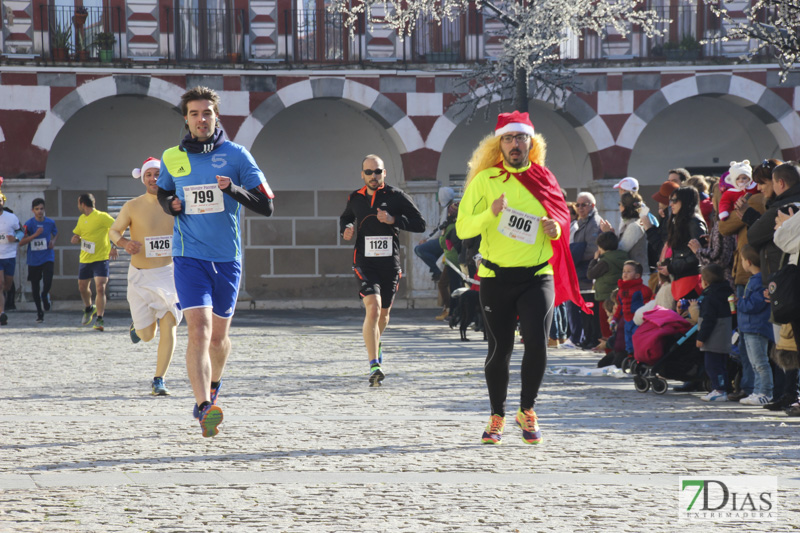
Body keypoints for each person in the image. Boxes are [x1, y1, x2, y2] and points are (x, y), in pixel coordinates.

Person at [456, 111, 588, 445]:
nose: (516, 144)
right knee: (499, 349)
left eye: (522, 138)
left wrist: (556, 228)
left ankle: (526, 409)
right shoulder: (485, 181)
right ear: (498, 144)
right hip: (496, 277)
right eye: (509, 138)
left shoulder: (544, 177)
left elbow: (560, 217)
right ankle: (497, 415)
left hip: (537, 276)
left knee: (537, 344)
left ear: (532, 143)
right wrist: (491, 212)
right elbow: (462, 228)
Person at [157, 86, 275, 437]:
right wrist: (170, 205)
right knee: (199, 330)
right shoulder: (172, 157)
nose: (201, 119)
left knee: (219, 338)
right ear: (186, 119)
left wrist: (233, 191)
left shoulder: (237, 155)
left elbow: (267, 205)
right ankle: (203, 406)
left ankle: (213, 388)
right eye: (194, 114)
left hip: (227, 259)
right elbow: (164, 191)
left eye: (207, 112)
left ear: (216, 116)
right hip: (188, 255)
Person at [340, 154, 426, 387]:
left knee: (384, 314)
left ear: (384, 173)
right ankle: (374, 364)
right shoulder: (355, 198)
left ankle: (375, 343)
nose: (373, 176)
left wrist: (393, 219)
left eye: (377, 172)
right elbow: (346, 218)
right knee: (373, 307)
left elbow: (421, 223)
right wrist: (346, 229)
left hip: (389, 264)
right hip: (364, 263)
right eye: (369, 172)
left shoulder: (396, 196)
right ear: (362, 175)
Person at [110, 157, 183, 396]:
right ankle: (137, 328)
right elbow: (114, 230)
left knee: (170, 322)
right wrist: (123, 242)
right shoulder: (132, 205)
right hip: (140, 277)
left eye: (158, 174)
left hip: (169, 274)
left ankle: (159, 379)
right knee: (147, 335)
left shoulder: (176, 203)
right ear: (143, 178)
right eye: (149, 175)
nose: (154, 179)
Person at [70, 193, 117, 331]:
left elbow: (117, 228)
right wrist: (76, 238)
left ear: (82, 204)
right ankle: (89, 308)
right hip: (85, 259)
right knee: (82, 288)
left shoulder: (102, 216)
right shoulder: (81, 218)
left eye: (78, 203)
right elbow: (78, 234)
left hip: (101, 258)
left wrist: (113, 246)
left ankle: (100, 319)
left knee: (100, 287)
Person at [736, 244, 774, 405]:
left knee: (760, 362)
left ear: (749, 262)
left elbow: (754, 304)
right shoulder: (754, 279)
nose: (742, 263)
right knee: (754, 363)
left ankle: (765, 392)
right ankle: (757, 391)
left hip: (756, 327)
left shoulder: (760, 280)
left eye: (742, 260)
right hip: (749, 327)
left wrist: (740, 303)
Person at [587, 231, 628, 361]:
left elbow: (591, 274)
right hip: (618, 296)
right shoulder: (623, 256)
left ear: (601, 247)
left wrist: (594, 259)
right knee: (617, 326)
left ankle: (610, 354)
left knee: (606, 328)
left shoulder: (605, 261)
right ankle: (619, 353)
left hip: (604, 297)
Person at [696, 263, 735, 402]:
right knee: (722, 365)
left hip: (714, 338)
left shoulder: (709, 297)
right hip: (725, 335)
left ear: (705, 282)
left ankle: (719, 389)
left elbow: (708, 320)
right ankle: (724, 387)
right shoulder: (727, 292)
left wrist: (701, 337)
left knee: (712, 365)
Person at [570, 191, 602, 349]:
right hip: (581, 271)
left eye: (584, 205)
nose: (580, 208)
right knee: (584, 309)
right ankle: (587, 338)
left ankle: (593, 338)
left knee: (591, 309)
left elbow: (593, 249)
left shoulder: (594, 223)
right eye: (578, 204)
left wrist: (575, 253)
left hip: (589, 271)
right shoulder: (582, 222)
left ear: (592, 206)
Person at [18, 198, 58, 323]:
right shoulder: (28, 224)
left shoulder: (50, 222)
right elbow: (20, 242)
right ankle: (39, 312)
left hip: (47, 256)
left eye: (41, 209)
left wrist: (53, 241)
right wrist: (34, 235)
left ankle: (45, 295)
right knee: (35, 286)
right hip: (34, 259)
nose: (39, 211)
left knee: (48, 280)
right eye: (37, 209)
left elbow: (56, 233)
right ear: (32, 210)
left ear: (44, 209)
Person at [414, 186, 456, 283]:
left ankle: (437, 270)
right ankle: (437, 270)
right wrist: (428, 238)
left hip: (445, 241)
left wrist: (427, 241)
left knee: (420, 249)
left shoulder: (448, 210)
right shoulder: (448, 209)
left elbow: (440, 231)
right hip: (446, 240)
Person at [613, 260, 653, 357]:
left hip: (638, 320)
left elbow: (648, 305)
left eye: (629, 271)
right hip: (627, 321)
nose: (625, 274)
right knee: (628, 340)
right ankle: (630, 356)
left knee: (637, 339)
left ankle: (640, 356)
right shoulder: (621, 291)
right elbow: (620, 306)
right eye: (624, 271)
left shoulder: (643, 289)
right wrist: (614, 319)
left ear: (637, 275)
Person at [0, 190, 22, 326]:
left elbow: (21, 231)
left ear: (3, 201)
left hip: (9, 255)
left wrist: (15, 238)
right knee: (0, 284)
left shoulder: (11, 217)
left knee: (7, 285)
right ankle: (1, 313)